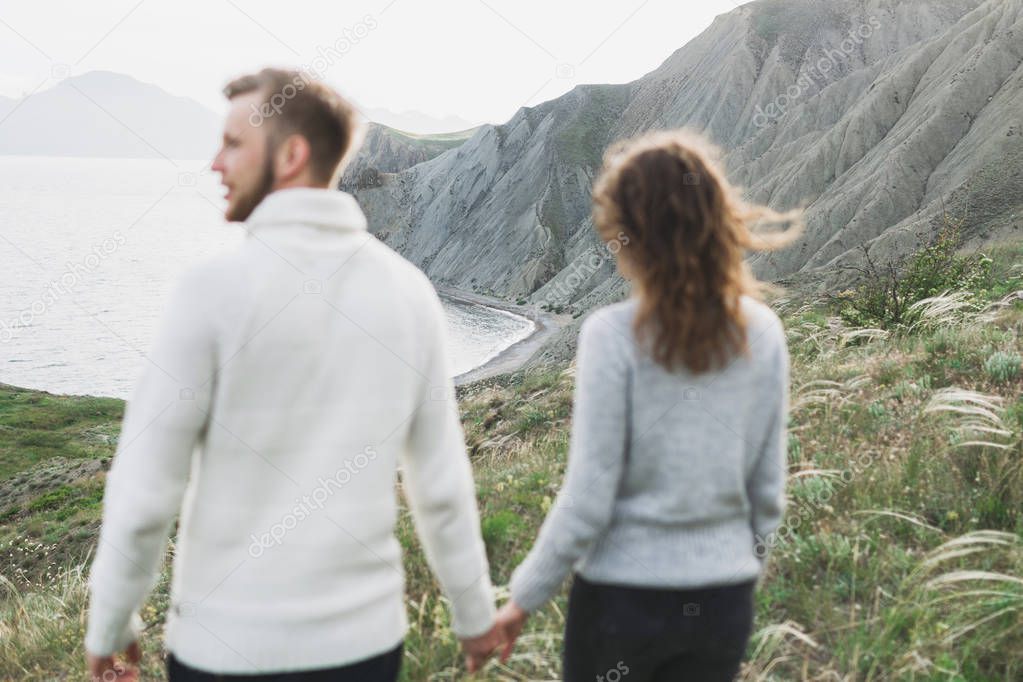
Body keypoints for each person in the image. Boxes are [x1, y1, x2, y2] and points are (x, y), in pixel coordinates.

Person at [84, 68, 501, 681]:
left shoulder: (210, 292)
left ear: (292, 154)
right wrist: (473, 619)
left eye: (232, 143)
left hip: (221, 648)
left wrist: (111, 626)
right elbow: (439, 486)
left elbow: (146, 488)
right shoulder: (409, 293)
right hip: (362, 649)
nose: (214, 164)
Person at [494, 129, 802, 681]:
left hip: (621, 602)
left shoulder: (612, 336)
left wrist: (522, 599)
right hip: (722, 602)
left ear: (626, 232)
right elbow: (768, 492)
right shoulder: (763, 331)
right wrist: (733, 569)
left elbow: (589, 499)